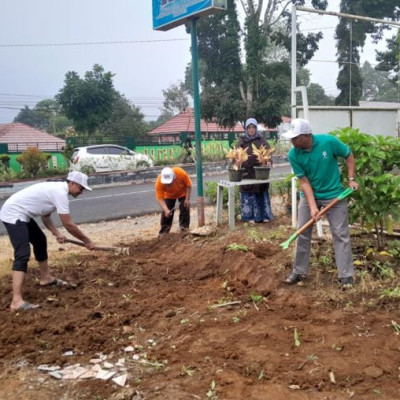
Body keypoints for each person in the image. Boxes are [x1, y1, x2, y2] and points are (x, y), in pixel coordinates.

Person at [0, 171, 96, 311]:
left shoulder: (57, 190)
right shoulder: (59, 193)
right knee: (23, 253)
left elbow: (45, 217)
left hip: (22, 214)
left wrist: (56, 233)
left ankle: (46, 278)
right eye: (81, 188)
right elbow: (69, 224)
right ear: (73, 183)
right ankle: (16, 301)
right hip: (13, 214)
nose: (81, 192)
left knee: (40, 240)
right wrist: (87, 241)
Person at [281, 118, 359, 287]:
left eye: (295, 137)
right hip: (310, 194)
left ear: (306, 135)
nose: (292, 141)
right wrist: (313, 206)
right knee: (303, 233)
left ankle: (346, 276)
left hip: (334, 195)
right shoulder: (293, 154)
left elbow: (348, 154)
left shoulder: (328, 141)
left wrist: (351, 179)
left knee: (340, 234)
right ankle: (299, 271)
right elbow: (304, 182)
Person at [237, 118, 274, 223]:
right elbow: (236, 153)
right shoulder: (242, 141)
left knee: (260, 192)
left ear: (256, 128)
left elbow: (268, 152)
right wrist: (237, 161)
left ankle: (263, 216)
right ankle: (249, 217)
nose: (251, 130)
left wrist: (268, 161)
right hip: (246, 172)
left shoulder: (261, 140)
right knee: (248, 193)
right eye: (249, 128)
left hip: (259, 172)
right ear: (246, 129)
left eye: (253, 127)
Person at [155, 166, 192, 235]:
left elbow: (188, 185)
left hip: (182, 192)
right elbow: (160, 199)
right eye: (166, 183)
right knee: (166, 212)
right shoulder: (159, 182)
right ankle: (164, 232)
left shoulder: (180, 173)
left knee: (185, 207)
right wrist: (166, 210)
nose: (168, 184)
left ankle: (184, 228)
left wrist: (187, 199)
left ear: (174, 177)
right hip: (168, 195)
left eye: (169, 182)